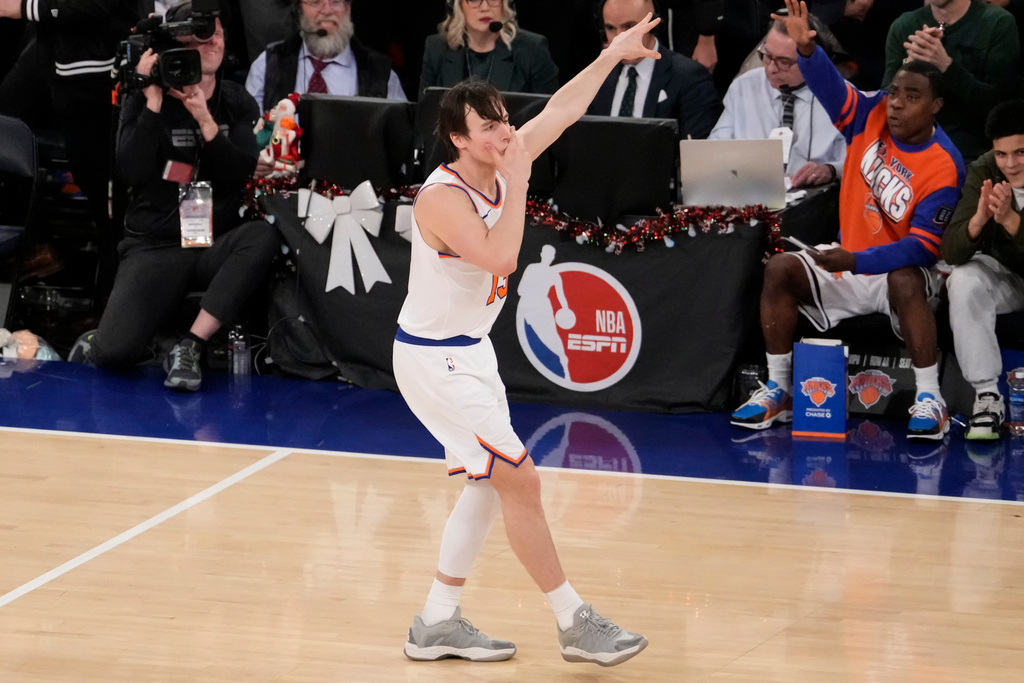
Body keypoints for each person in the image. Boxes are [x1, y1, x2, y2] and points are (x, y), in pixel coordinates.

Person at [392, 13, 661, 667]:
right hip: (434, 360)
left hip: (471, 353)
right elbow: (501, 256)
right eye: (490, 126)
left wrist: (612, 58)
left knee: (487, 484)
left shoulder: (504, 160)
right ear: (459, 138)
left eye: (506, 120)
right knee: (521, 478)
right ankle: (573, 620)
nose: (507, 132)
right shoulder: (440, 197)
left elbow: (563, 110)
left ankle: (436, 619)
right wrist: (520, 182)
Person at [731, 0, 965, 440]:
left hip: (898, 271)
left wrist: (856, 259)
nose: (895, 105)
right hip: (850, 260)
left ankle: (930, 398)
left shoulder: (945, 165)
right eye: (894, 92)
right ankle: (779, 388)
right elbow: (830, 89)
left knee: (905, 277)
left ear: (935, 106)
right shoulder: (871, 112)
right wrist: (806, 49)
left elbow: (922, 247)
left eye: (911, 98)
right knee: (780, 268)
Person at [69, 2, 281, 392]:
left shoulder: (235, 100)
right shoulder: (147, 95)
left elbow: (240, 176)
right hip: (157, 245)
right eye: (204, 35)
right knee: (113, 355)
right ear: (180, 43)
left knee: (261, 237)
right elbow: (130, 171)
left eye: (219, 33)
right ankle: (134, 340)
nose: (215, 41)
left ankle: (190, 345)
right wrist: (151, 102)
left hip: (212, 242)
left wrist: (206, 122)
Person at [0, 0, 138, 293]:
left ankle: (112, 302)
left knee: (103, 187)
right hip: (51, 44)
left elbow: (99, 6)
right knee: (4, 126)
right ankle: (38, 244)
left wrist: (25, 7)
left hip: (98, 59)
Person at [942, 100, 1024, 440]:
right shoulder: (985, 171)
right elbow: (951, 251)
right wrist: (978, 220)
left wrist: (1010, 220)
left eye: (1020, 153)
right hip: (1010, 277)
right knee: (963, 279)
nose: (1010, 164)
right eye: (1001, 154)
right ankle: (988, 398)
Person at [709, 16, 846, 188]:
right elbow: (715, 149)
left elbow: (857, 162)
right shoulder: (744, 87)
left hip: (814, 202)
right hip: (749, 195)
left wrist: (831, 170)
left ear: (813, 59)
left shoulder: (841, 96)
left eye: (784, 62)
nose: (771, 68)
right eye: (767, 56)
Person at [882, 0, 1020, 164]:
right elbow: (884, 101)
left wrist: (946, 66)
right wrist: (908, 70)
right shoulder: (904, 25)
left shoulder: (997, 23)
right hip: (908, 149)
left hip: (970, 151)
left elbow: (1000, 106)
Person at [587, 0, 721, 141]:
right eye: (610, 28)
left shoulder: (690, 78)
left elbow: (695, 152)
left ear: (654, 25)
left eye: (629, 27)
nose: (620, 38)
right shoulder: (597, 76)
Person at [245, 0, 406, 113]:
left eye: (336, 1)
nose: (327, 11)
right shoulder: (267, 66)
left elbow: (403, 140)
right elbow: (248, 142)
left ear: (348, 7)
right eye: (315, 2)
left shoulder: (379, 73)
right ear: (299, 9)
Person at [419, 0, 559, 99]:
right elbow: (424, 118)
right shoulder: (436, 48)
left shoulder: (531, 49)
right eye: (474, 0)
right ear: (457, 6)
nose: (485, 7)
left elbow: (550, 116)